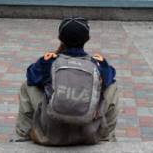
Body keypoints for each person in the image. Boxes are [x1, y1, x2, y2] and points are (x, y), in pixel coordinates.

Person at [14, 17, 119, 145]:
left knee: (28, 86)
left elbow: (31, 75)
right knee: (112, 86)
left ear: (60, 39)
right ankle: (107, 138)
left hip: (51, 132)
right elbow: (111, 75)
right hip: (88, 133)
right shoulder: (97, 64)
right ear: (88, 39)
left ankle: (23, 135)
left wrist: (56, 53)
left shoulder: (49, 62)